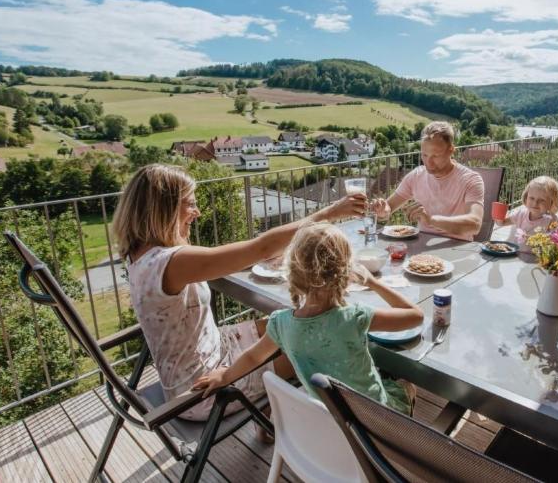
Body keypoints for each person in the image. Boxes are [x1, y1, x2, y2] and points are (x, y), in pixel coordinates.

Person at [111, 164, 366, 422]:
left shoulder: (141, 256)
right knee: (318, 345)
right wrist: (331, 213)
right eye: (189, 204)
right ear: (162, 209)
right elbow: (262, 247)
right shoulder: (171, 262)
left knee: (287, 322)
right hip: (201, 389)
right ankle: (288, 422)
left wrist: (257, 258)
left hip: (202, 354)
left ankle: (271, 413)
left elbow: (226, 259)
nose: (197, 212)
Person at [192, 222, 424, 415]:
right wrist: (373, 283)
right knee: (407, 384)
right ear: (346, 273)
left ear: (293, 273)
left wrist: (225, 374)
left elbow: (253, 356)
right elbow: (416, 316)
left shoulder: (280, 323)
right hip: (373, 421)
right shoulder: (355, 316)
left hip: (328, 415)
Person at [373, 121, 485, 241]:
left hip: (457, 248)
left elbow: (475, 225)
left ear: (451, 150)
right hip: (420, 248)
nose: (429, 162)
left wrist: (431, 220)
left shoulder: (471, 180)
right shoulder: (416, 176)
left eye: (436, 156)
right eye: (425, 155)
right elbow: (389, 207)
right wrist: (382, 211)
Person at [506, 176, 558, 252]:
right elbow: (501, 222)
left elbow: (556, 242)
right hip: (513, 254)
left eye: (542, 200)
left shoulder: (553, 221)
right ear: (526, 197)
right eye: (532, 198)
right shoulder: (521, 214)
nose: (535, 203)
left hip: (537, 260)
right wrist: (498, 216)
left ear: (552, 202)